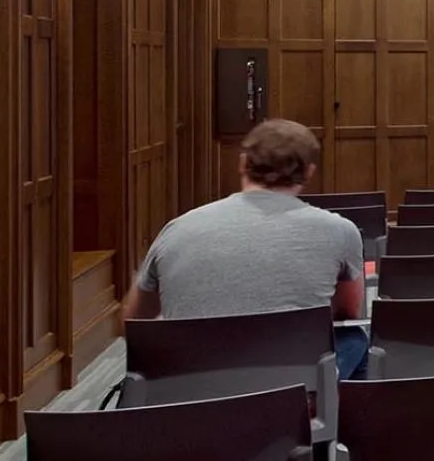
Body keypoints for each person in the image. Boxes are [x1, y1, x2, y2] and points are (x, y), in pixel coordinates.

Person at [124, 117, 369, 380]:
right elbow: (349, 312)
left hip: (189, 394)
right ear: (309, 172)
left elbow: (134, 321)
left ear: (242, 163)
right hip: (290, 394)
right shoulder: (340, 230)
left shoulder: (176, 229)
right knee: (354, 338)